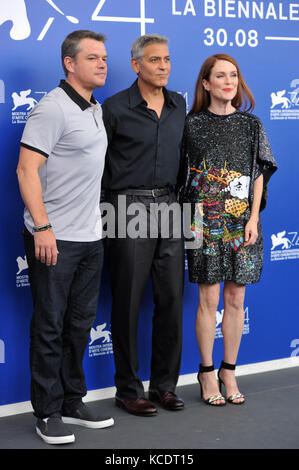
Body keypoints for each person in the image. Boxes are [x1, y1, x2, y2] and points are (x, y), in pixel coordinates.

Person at [16, 30, 114, 445]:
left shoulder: (94, 107)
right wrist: (42, 227)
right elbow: (26, 170)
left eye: (104, 57)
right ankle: (47, 412)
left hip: (90, 237)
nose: (102, 64)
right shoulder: (51, 109)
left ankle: (73, 400)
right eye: (92, 58)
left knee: (78, 325)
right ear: (69, 64)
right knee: (51, 327)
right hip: (54, 238)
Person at [178, 53, 277, 406]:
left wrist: (252, 219)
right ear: (206, 83)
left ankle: (229, 370)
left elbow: (259, 175)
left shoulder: (252, 125)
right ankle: (206, 372)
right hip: (203, 222)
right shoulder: (190, 124)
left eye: (233, 75)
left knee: (236, 298)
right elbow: (181, 177)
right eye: (220, 76)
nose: (228, 81)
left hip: (242, 222)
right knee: (208, 300)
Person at [102, 34, 186, 416]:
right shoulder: (115, 107)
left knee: (170, 299)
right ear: (136, 65)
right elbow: (97, 169)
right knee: (129, 301)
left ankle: (164, 387)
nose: (163, 66)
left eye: (167, 59)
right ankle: (127, 389)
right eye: (155, 60)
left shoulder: (179, 104)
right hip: (127, 206)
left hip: (172, 206)